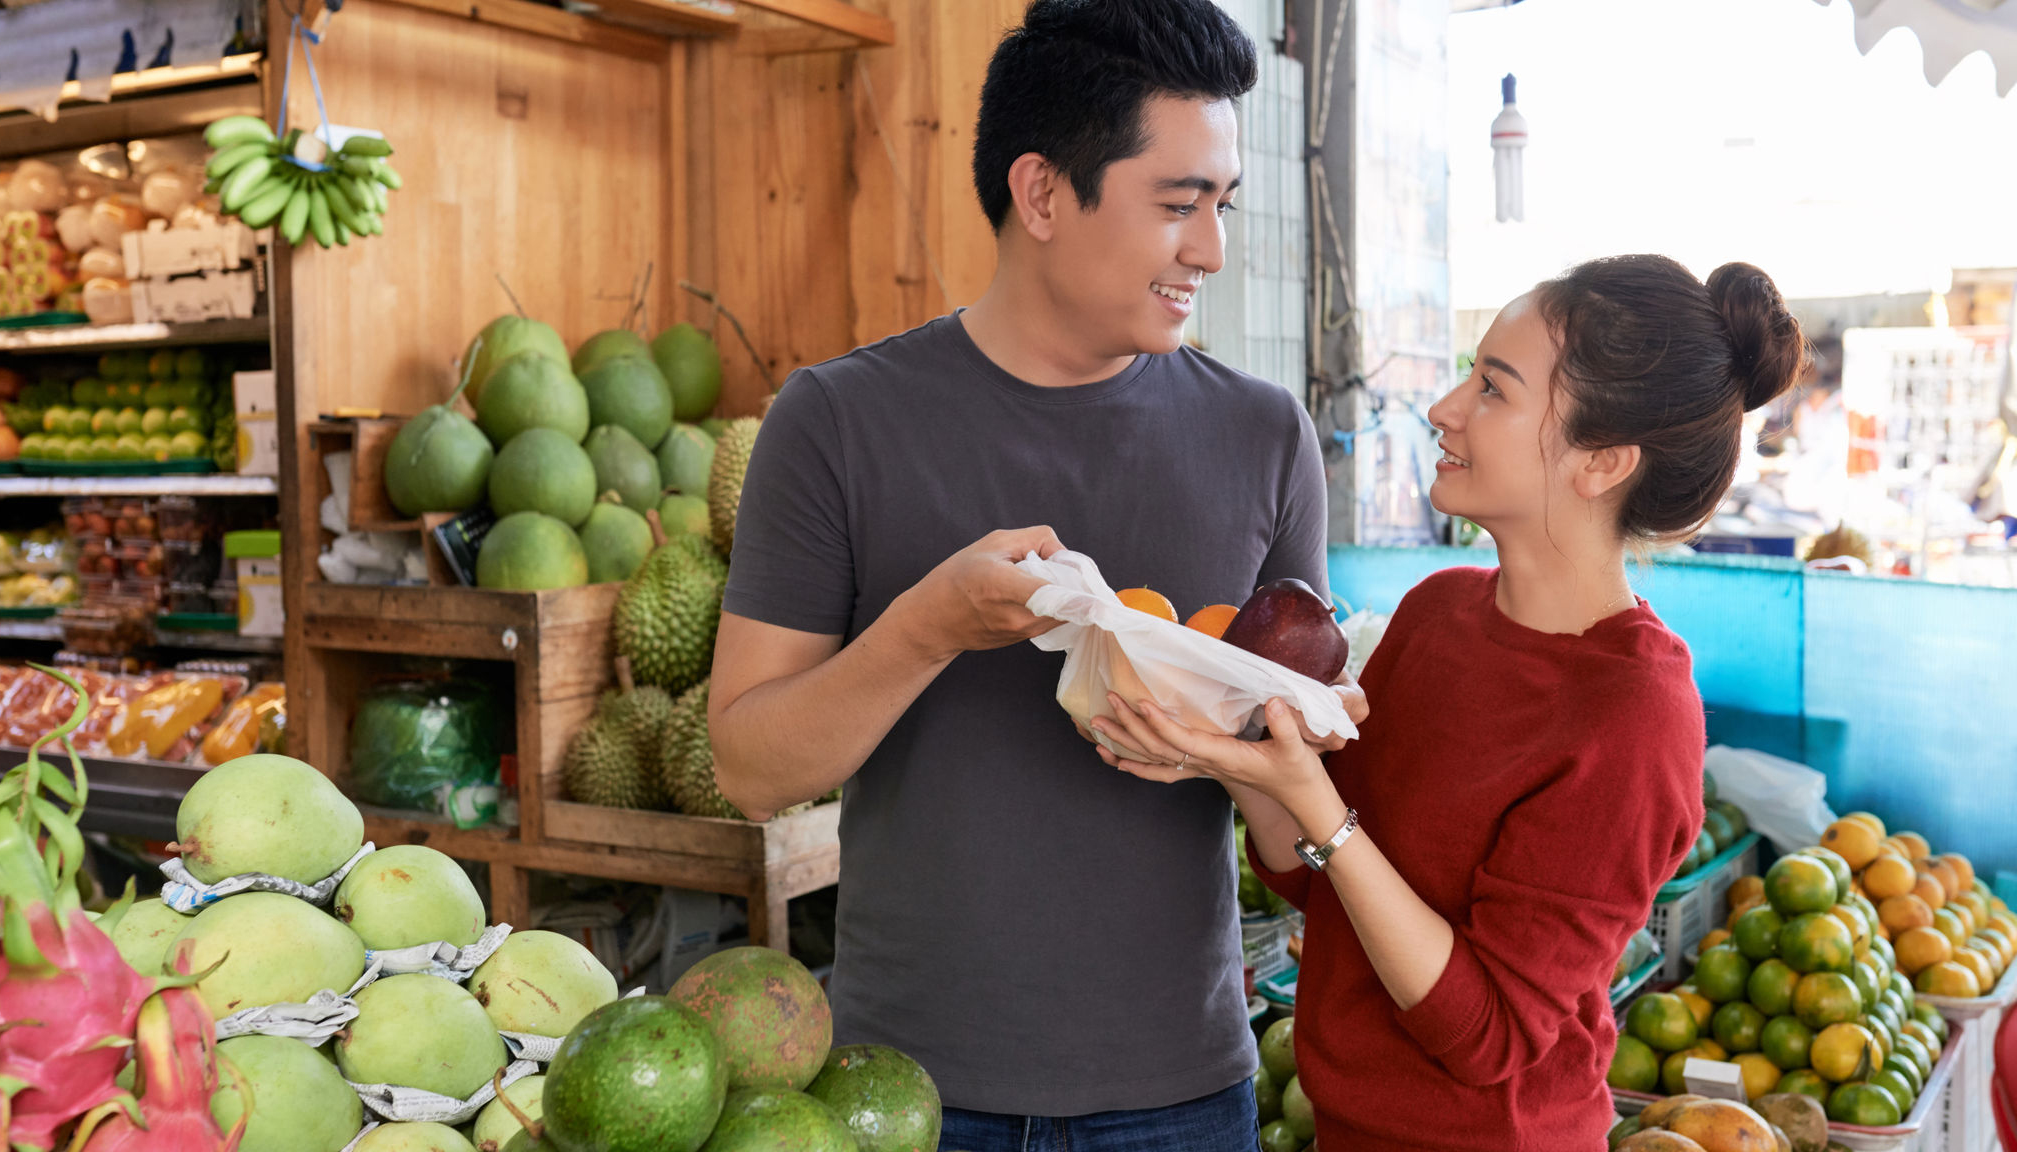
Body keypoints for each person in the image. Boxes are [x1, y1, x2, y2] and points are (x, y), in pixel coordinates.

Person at [705, 2, 1364, 1148]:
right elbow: (751, 768)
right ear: (1044, 193)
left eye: (1220, 207)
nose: (1208, 250)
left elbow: (1276, 827)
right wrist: (929, 626)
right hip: (901, 1093)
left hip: (1183, 1094)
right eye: (1176, 205)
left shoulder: (1264, 438)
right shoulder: (836, 420)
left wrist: (1281, 745)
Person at [1090, 256, 1807, 1149]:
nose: (1445, 408)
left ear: (1603, 462)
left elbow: (1488, 1037)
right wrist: (1229, 749)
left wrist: (1310, 796)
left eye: (1494, 389)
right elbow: (1314, 878)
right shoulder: (1436, 614)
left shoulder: (1634, 712)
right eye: (1472, 371)